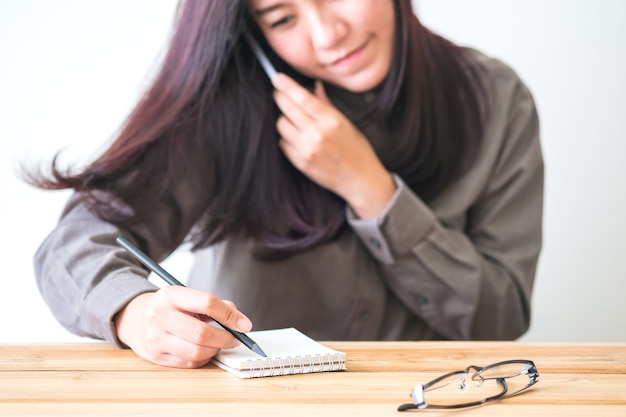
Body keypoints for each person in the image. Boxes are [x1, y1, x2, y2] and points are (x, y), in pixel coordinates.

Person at [27, 0, 543, 369]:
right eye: (282, 17)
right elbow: (72, 246)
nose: (326, 35)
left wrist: (371, 190)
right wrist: (135, 314)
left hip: (429, 396)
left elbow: (499, 318)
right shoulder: (223, 109)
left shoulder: (494, 98)